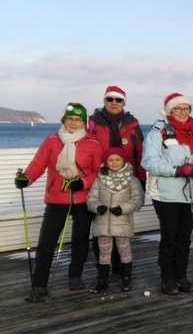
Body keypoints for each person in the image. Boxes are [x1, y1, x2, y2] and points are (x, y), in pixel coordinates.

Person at [15, 103, 103, 301]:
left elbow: (99, 171)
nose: (73, 123)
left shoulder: (94, 143)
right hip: (56, 197)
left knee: (80, 239)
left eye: (78, 119)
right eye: (70, 118)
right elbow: (38, 164)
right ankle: (39, 286)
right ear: (64, 120)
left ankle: (75, 276)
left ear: (84, 123)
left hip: (83, 198)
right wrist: (26, 178)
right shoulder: (52, 141)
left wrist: (83, 182)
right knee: (46, 242)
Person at [142, 93, 193, 295]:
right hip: (166, 194)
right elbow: (149, 161)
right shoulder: (158, 132)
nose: (182, 112)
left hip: (191, 193)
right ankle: (167, 279)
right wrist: (176, 170)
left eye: (186, 108)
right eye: (178, 108)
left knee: (184, 237)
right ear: (169, 111)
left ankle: (181, 276)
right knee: (170, 236)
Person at [87, 85, 146, 282]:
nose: (114, 102)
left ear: (123, 102)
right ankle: (102, 269)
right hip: (100, 180)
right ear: (104, 101)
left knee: (122, 228)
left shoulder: (132, 124)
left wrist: (141, 180)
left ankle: (121, 269)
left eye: (118, 100)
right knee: (102, 228)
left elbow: (139, 153)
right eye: (110, 99)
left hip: (126, 180)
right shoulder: (93, 122)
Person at [86, 147, 145, 292]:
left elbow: (138, 199)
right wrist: (97, 206)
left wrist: (123, 208)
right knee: (104, 251)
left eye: (117, 159)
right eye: (110, 160)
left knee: (124, 250)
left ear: (123, 160)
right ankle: (103, 280)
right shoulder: (99, 179)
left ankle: (126, 278)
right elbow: (91, 198)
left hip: (122, 222)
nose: (114, 162)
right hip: (103, 222)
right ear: (106, 162)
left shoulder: (132, 180)